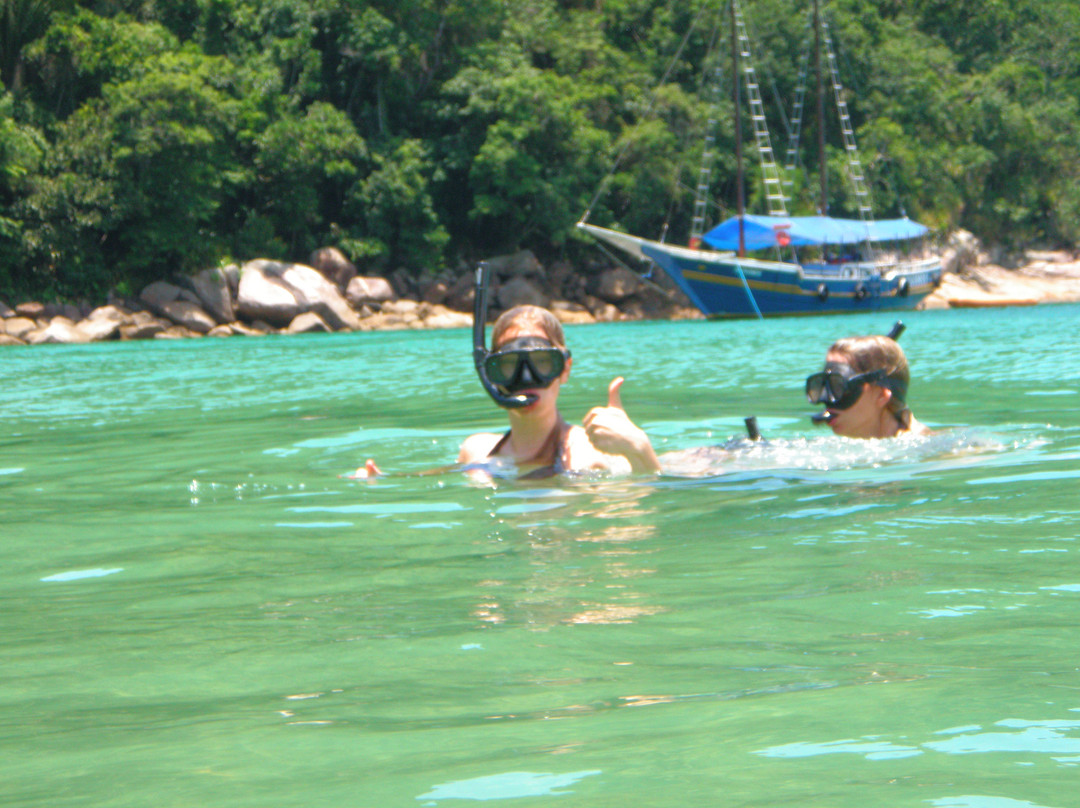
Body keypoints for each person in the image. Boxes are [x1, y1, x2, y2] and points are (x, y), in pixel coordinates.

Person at [457, 304, 660, 476]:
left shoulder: (591, 457)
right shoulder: (475, 452)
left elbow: (644, 514)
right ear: (491, 375)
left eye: (542, 363)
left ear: (564, 369)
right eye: (509, 365)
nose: (527, 379)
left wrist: (639, 449)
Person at [805, 333, 930, 439]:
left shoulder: (928, 450)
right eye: (822, 385)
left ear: (881, 395)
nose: (826, 399)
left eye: (838, 387)